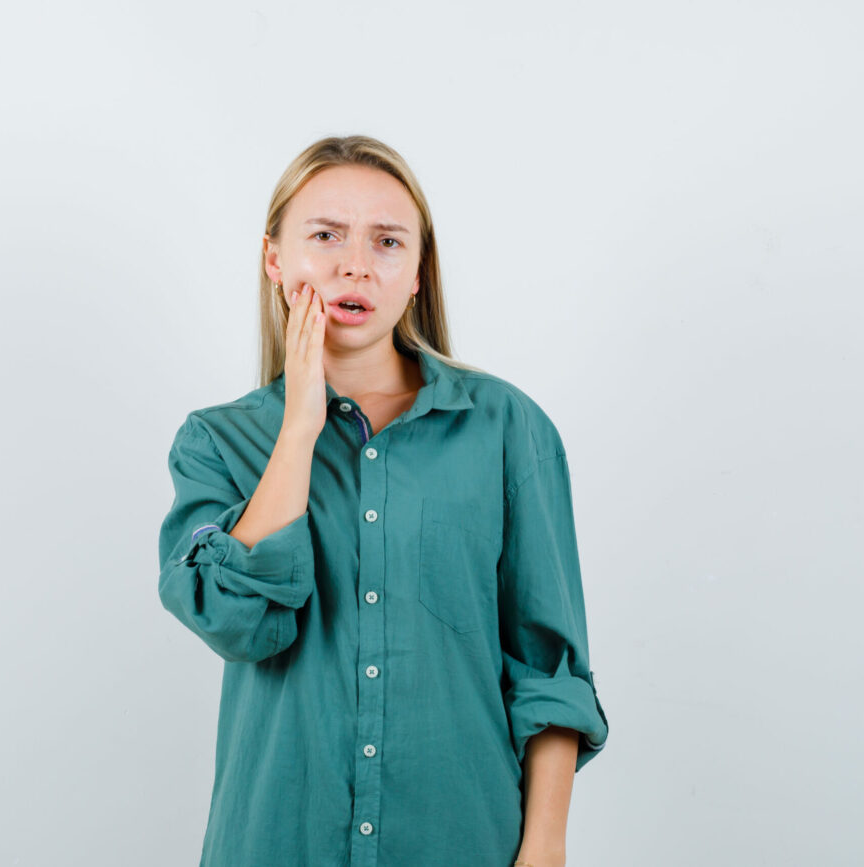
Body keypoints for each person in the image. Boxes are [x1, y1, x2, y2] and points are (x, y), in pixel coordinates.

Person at [156, 135, 609, 867]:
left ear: (418, 274)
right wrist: (299, 428)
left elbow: (548, 666)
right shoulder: (217, 441)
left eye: (388, 241)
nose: (355, 263)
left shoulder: (505, 428)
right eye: (325, 235)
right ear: (275, 258)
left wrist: (544, 848)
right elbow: (237, 622)